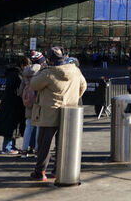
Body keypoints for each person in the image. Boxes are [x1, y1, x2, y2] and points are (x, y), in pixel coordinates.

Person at [29, 46, 87, 181]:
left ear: (49, 59)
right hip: (69, 113)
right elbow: (83, 86)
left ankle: (40, 172)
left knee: (45, 144)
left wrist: (42, 69)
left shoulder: (47, 73)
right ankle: (58, 170)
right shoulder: (75, 70)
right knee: (62, 144)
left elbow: (33, 85)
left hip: (49, 112)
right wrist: (73, 98)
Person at [0, 57, 29, 154]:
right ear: (22, 65)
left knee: (12, 127)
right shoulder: (17, 75)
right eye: (27, 66)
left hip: (10, 104)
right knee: (10, 127)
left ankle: (11, 147)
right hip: (13, 104)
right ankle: (7, 148)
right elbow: (16, 90)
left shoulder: (13, 73)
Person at [19, 63, 41, 157]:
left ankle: (24, 150)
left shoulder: (25, 74)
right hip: (38, 105)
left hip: (28, 105)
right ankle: (37, 150)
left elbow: (20, 91)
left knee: (28, 127)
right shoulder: (41, 74)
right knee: (38, 128)